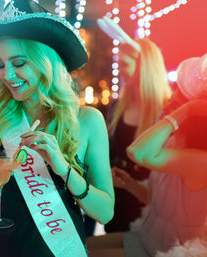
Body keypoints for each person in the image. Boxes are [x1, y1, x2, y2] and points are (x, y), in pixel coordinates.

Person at [0, 1, 115, 256]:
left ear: (45, 60)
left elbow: (105, 212)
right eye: (0, 65)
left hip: (57, 248)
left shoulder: (88, 120)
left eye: (19, 63)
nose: (7, 75)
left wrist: (62, 168)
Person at [87, 53, 207, 257]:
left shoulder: (200, 160)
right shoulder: (175, 143)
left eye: (183, 95)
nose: (174, 94)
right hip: (146, 239)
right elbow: (161, 204)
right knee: (76, 246)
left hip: (167, 251)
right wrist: (129, 185)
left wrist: (186, 111)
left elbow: (137, 152)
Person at [97, 16, 172, 233]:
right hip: (117, 203)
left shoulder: (168, 113)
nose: (119, 70)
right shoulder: (116, 107)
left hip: (151, 210)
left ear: (143, 67)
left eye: (123, 64)